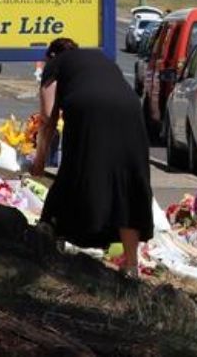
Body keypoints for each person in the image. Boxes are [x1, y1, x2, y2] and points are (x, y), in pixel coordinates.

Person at [32, 38, 154, 278]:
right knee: (127, 181)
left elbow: (47, 116)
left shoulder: (56, 64)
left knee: (76, 168)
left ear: (51, 56)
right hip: (130, 110)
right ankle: (131, 265)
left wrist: (39, 160)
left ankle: (51, 233)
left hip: (88, 109)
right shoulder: (100, 60)